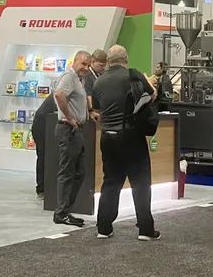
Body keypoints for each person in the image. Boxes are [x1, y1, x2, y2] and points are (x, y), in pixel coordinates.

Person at [91, 45, 159, 241]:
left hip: (107, 137)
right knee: (140, 183)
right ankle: (145, 229)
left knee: (111, 183)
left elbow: (97, 107)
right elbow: (152, 95)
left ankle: (103, 227)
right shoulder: (133, 75)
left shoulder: (99, 81)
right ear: (125, 59)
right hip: (131, 136)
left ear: (109, 60)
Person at [52, 50, 91, 227]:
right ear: (75, 61)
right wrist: (69, 117)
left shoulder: (79, 80)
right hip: (68, 129)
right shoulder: (69, 76)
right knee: (67, 173)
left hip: (76, 131)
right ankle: (61, 213)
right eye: (83, 64)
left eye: (88, 65)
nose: (86, 68)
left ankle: (66, 210)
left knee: (80, 172)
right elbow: (59, 94)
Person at [31, 93, 56, 200]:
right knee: (43, 155)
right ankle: (41, 189)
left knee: (46, 156)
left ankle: (46, 188)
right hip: (42, 123)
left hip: (48, 122)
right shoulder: (67, 84)